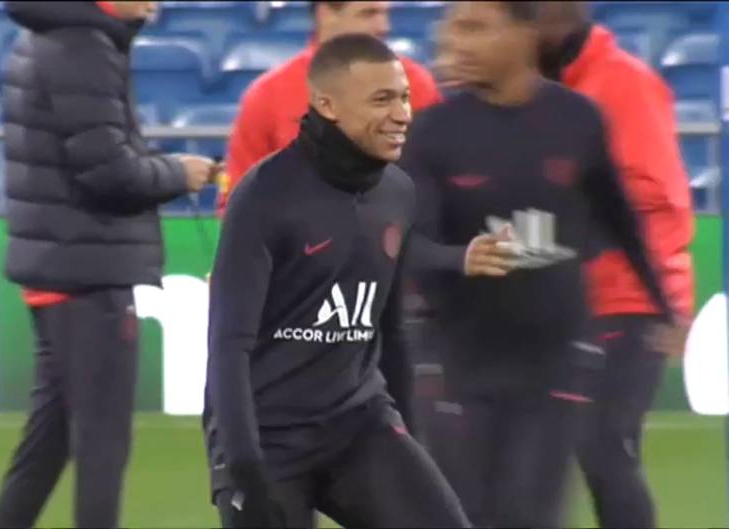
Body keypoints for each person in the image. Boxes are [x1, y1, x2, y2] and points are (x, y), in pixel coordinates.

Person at [397, 2, 679, 527]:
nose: (455, 41)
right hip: (457, 362)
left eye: (475, 27)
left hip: (553, 361)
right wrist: (462, 258)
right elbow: (409, 243)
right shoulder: (432, 132)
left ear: (524, 33)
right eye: (452, 27)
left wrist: (664, 307)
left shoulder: (577, 119)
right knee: (465, 515)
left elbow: (619, 217)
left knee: (530, 514)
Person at [203, 33, 469, 529]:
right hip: (267, 438)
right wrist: (241, 464)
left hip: (357, 425)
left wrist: (410, 444)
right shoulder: (264, 195)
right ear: (327, 105)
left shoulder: (397, 194)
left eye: (404, 96)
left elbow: (389, 332)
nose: (403, 114)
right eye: (382, 99)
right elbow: (228, 345)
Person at [0, 2, 217, 527]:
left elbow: (94, 149)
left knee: (49, 442)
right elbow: (107, 171)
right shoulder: (83, 47)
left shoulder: (47, 35)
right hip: (88, 270)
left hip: (60, 260)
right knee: (102, 442)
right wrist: (176, 173)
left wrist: (157, 164)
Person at [535, 3, 695, 527]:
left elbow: (659, 200)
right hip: (559, 302)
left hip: (628, 301)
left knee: (603, 444)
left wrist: (662, 301)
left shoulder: (625, 84)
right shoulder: (537, 86)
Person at [217, 1, 441, 215]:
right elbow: (240, 198)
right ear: (326, 13)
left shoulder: (417, 84)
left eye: (385, 14)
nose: (384, 26)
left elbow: (441, 178)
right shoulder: (268, 94)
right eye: (368, 14)